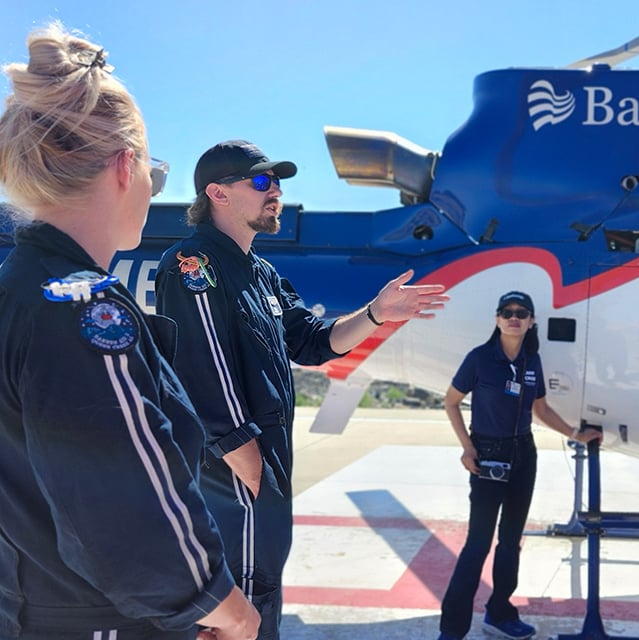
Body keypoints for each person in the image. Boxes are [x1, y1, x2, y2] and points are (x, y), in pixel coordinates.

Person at [0, 24, 259, 639]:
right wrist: (228, 608)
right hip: (98, 619)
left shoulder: (20, 283)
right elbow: (128, 502)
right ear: (125, 167)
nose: (151, 189)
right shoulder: (85, 307)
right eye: (155, 173)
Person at [154, 140, 448, 639]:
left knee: (262, 592)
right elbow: (203, 368)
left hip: (265, 464)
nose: (277, 193)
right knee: (239, 604)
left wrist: (375, 313)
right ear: (217, 194)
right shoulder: (194, 263)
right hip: (230, 471)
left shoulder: (262, 274)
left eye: (278, 182)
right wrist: (244, 459)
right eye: (263, 182)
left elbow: (313, 343)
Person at [437, 291, 603, 640]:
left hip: (524, 455)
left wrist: (576, 433)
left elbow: (540, 410)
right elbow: (451, 402)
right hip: (487, 454)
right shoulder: (479, 359)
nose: (514, 317)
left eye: (521, 313)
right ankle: (452, 630)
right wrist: (467, 448)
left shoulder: (532, 360)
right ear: (498, 319)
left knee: (511, 540)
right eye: (507, 312)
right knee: (478, 543)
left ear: (530, 322)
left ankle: (499, 613)